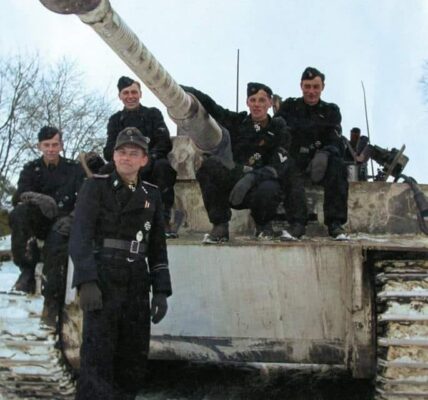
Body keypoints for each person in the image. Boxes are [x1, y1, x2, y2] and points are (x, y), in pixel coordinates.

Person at [70, 127, 172, 400]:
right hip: (104, 278)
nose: (127, 158)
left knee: (133, 357)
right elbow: (80, 237)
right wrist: (86, 281)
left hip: (137, 281)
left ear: (144, 160)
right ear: (113, 156)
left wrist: (160, 290)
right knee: (98, 357)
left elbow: (157, 247)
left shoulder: (152, 195)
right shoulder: (95, 187)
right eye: (122, 152)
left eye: (134, 153)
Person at [182, 82, 307, 242]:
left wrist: (252, 177)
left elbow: (279, 165)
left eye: (262, 100)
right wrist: (184, 89)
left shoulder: (278, 128)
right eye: (253, 100)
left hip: (261, 187)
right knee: (209, 166)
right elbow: (212, 107)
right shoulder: (237, 122)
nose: (257, 105)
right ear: (247, 102)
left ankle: (263, 226)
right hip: (235, 183)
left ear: (270, 102)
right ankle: (220, 226)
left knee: (272, 186)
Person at [8, 126, 84, 300]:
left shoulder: (74, 169)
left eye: (55, 145)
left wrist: (72, 218)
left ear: (61, 146)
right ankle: (26, 271)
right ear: (39, 146)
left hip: (64, 222)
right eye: (47, 145)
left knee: (58, 241)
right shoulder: (31, 169)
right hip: (40, 220)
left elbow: (85, 199)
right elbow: (19, 196)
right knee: (18, 213)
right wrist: (38, 198)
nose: (51, 149)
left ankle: (52, 287)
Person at [275, 67, 349, 239]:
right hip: (295, 160)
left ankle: (335, 224)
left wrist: (325, 153)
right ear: (301, 86)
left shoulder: (331, 111)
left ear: (322, 87)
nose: (311, 91)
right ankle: (297, 224)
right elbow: (278, 131)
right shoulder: (290, 107)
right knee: (288, 168)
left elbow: (336, 139)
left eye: (316, 87)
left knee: (338, 165)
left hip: (319, 162)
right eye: (307, 86)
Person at [103, 76, 177, 237]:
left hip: (150, 163)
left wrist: (149, 158)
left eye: (134, 92)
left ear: (140, 94)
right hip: (124, 166)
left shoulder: (153, 114)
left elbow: (164, 142)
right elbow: (109, 149)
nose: (130, 96)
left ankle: (163, 221)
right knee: (103, 172)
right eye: (126, 93)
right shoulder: (115, 120)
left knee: (163, 167)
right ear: (120, 96)